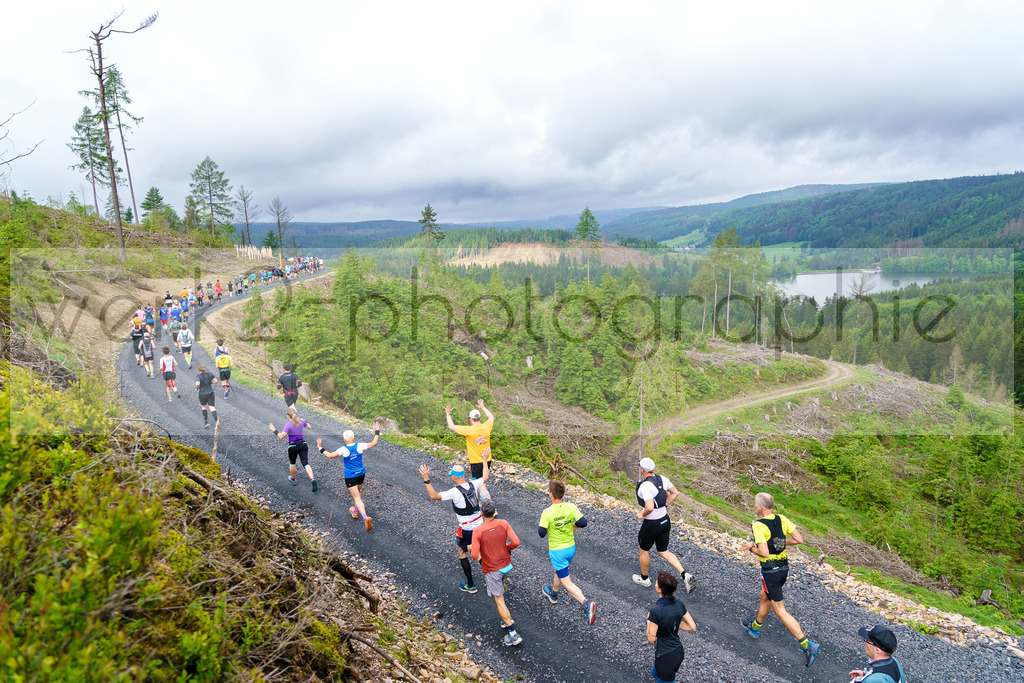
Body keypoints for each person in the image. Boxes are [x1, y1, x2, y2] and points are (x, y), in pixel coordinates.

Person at [741, 492, 820, 668]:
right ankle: (755, 627)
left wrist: (750, 547)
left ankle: (808, 645)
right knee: (764, 596)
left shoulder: (759, 525)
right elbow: (799, 539)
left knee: (780, 610)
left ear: (760, 506)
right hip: (784, 568)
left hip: (771, 571)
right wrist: (780, 543)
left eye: (755, 503)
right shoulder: (782, 518)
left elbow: (764, 552)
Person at [419, 460, 490, 594]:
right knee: (480, 551)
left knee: (463, 553)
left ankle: (471, 584)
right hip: (481, 525)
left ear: (453, 476)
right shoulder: (473, 484)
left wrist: (426, 479)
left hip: (467, 529)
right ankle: (493, 573)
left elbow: (434, 496)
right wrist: (485, 460)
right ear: (463, 475)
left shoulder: (454, 492)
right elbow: (485, 477)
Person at [632, 458, 696, 594]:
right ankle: (685, 574)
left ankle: (644, 579)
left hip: (651, 524)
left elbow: (649, 507)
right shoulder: (663, 479)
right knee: (663, 550)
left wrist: (641, 515)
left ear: (642, 470)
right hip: (665, 521)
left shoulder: (645, 486)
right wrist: (665, 505)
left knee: (643, 550)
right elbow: (675, 493)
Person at [539, 479, 597, 625]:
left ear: (551, 495)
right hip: (570, 548)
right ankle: (553, 593)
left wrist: (551, 526)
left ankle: (587, 604)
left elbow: (541, 533)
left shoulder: (547, 512)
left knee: (567, 581)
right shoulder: (571, 507)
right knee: (559, 570)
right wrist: (573, 525)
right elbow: (583, 522)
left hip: (557, 550)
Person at [470, 498, 523, 647]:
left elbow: (474, 554)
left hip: (492, 569)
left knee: (499, 599)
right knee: (500, 592)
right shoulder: (503, 523)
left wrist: (477, 552)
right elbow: (516, 542)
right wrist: (505, 548)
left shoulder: (478, 530)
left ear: (481, 513)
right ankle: (505, 619)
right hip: (506, 565)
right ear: (494, 512)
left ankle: (513, 633)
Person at [318, 421, 381, 531]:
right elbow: (373, 443)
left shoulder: (343, 449)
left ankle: (365, 517)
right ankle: (355, 510)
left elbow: (330, 456)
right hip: (361, 474)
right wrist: (377, 431)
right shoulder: (360, 446)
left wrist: (320, 448)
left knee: (356, 497)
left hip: (351, 476)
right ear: (353, 438)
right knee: (358, 494)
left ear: (345, 440)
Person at [646, 572, 697, 683]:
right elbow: (692, 626)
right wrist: (670, 623)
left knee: (663, 678)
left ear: (660, 589)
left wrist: (649, 621)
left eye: (656, 583)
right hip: (678, 651)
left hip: (665, 656)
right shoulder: (679, 603)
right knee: (655, 672)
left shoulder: (655, 612)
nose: (655, 584)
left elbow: (651, 638)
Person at [270, 406, 317, 492]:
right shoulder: (301, 421)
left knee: (292, 463)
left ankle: (293, 479)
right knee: (305, 463)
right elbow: (309, 427)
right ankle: (312, 479)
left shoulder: (288, 425)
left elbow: (281, 436)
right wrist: (304, 420)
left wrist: (274, 430)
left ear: (288, 416)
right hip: (303, 445)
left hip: (293, 446)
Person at [445, 399, 494, 482]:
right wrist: (483, 407)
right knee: (483, 480)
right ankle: (482, 494)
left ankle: (483, 495)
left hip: (476, 462)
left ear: (471, 419)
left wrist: (448, 414)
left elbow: (451, 427)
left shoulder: (469, 430)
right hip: (487, 459)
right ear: (479, 418)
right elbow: (491, 417)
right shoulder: (487, 426)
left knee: (479, 484)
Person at [195, 363, 218, 428]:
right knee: (212, 407)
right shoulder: (209, 374)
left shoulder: (198, 376)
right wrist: (210, 383)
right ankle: (216, 421)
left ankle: (206, 422)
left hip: (202, 393)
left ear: (199, 370)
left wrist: (196, 388)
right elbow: (216, 381)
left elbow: (197, 383)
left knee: (203, 407)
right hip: (210, 392)